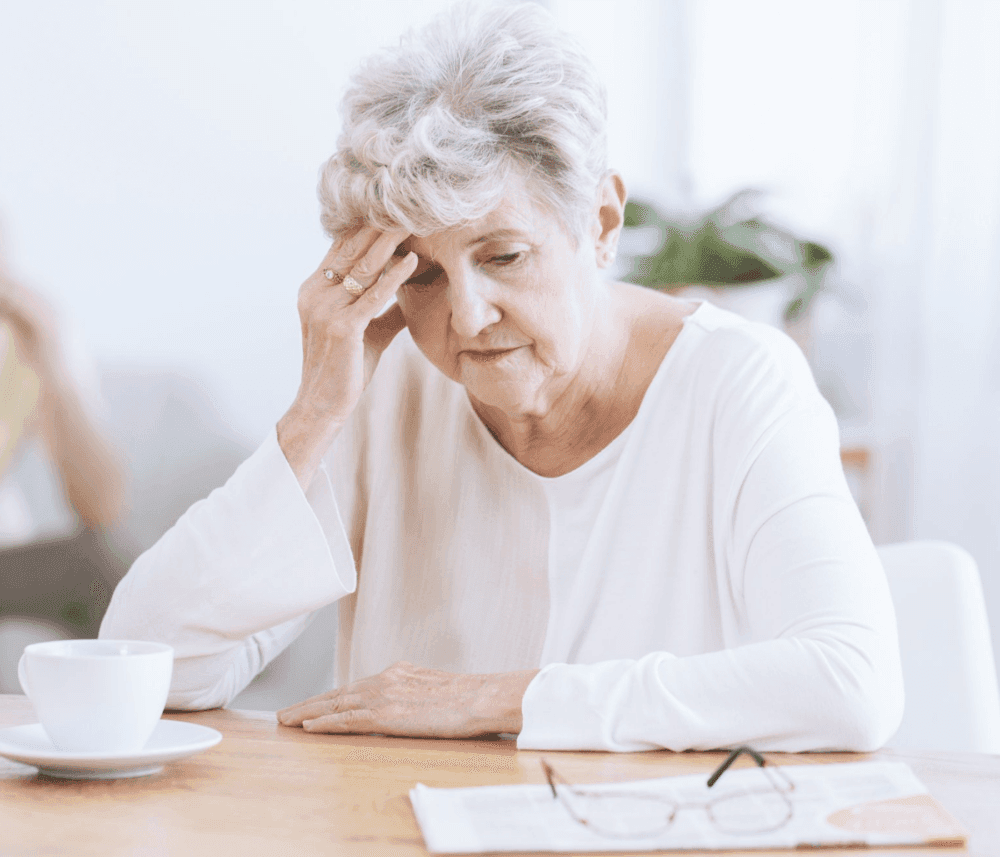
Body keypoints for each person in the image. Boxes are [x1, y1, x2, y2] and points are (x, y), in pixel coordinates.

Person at [100, 2, 904, 752]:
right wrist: (313, 413)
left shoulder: (739, 381)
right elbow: (153, 665)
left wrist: (500, 699)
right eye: (422, 274)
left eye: (504, 257)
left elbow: (851, 682)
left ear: (600, 223)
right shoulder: (388, 386)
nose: (468, 316)